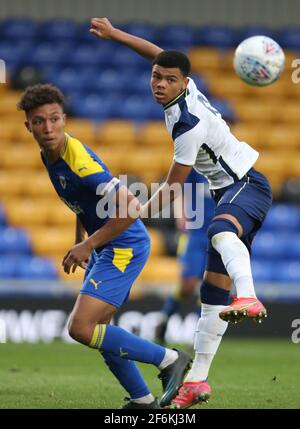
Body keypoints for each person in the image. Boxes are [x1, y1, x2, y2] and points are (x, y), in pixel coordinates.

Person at [88, 18, 273, 409]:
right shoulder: (180, 91)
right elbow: (158, 54)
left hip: (246, 185)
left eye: (168, 79)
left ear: (184, 83)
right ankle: (197, 383)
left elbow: (173, 187)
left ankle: (250, 297)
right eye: (156, 77)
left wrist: (137, 212)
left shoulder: (187, 124)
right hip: (229, 192)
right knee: (210, 296)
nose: (159, 83)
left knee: (220, 230)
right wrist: (115, 34)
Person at [16, 84, 192, 409]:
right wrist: (80, 240)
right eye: (39, 121)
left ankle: (169, 359)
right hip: (107, 244)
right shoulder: (50, 155)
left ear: (64, 119)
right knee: (99, 330)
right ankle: (142, 400)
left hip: (124, 244)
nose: (48, 127)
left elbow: (131, 207)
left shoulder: (77, 160)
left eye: (54, 119)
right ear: (28, 126)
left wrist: (89, 245)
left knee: (81, 328)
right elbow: (83, 204)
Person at [155, 170, 214, 345]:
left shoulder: (227, 168)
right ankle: (164, 318)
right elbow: (177, 186)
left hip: (217, 233)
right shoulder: (197, 166)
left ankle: (198, 335)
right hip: (194, 233)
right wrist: (181, 213)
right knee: (187, 286)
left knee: (207, 285)